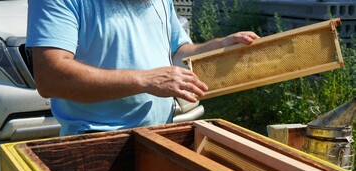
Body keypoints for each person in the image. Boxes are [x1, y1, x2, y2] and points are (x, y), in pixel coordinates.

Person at [26, 0, 259, 136]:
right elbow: (50, 77)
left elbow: (178, 53)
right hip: (94, 139)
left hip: (159, 133)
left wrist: (218, 46)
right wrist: (146, 80)